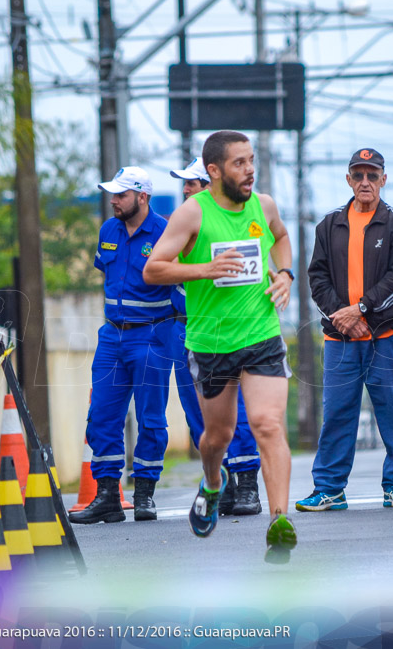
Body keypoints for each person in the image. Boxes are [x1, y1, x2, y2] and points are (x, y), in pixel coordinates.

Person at [143, 130, 297, 562]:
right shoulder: (192, 214)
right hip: (210, 344)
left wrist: (284, 274)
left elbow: (281, 236)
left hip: (261, 336)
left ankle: (278, 521)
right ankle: (213, 484)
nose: (249, 170)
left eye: (251, 161)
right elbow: (154, 270)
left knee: (267, 425)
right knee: (217, 436)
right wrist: (205, 269)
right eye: (239, 163)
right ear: (214, 171)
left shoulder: (263, 205)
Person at [297, 148, 393, 512]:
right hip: (340, 340)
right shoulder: (329, 225)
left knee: (392, 413)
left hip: (384, 336)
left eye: (372, 174)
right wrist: (341, 316)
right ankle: (330, 489)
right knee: (337, 414)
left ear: (383, 178)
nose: (365, 182)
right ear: (348, 180)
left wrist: (362, 307)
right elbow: (316, 277)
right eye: (358, 175)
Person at [69, 166, 173, 525]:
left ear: (142, 197)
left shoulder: (166, 232)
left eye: (121, 194)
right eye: (112, 193)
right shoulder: (108, 230)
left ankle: (144, 494)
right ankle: (107, 497)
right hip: (112, 335)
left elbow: (180, 285)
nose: (113, 200)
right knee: (101, 416)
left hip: (152, 335)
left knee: (151, 418)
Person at [168, 157, 262, 516]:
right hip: (186, 327)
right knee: (199, 414)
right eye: (184, 184)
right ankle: (220, 482)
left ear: (209, 185)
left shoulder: (225, 225)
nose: (186, 190)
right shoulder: (181, 224)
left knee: (233, 410)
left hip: (227, 328)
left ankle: (248, 483)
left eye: (191, 183)